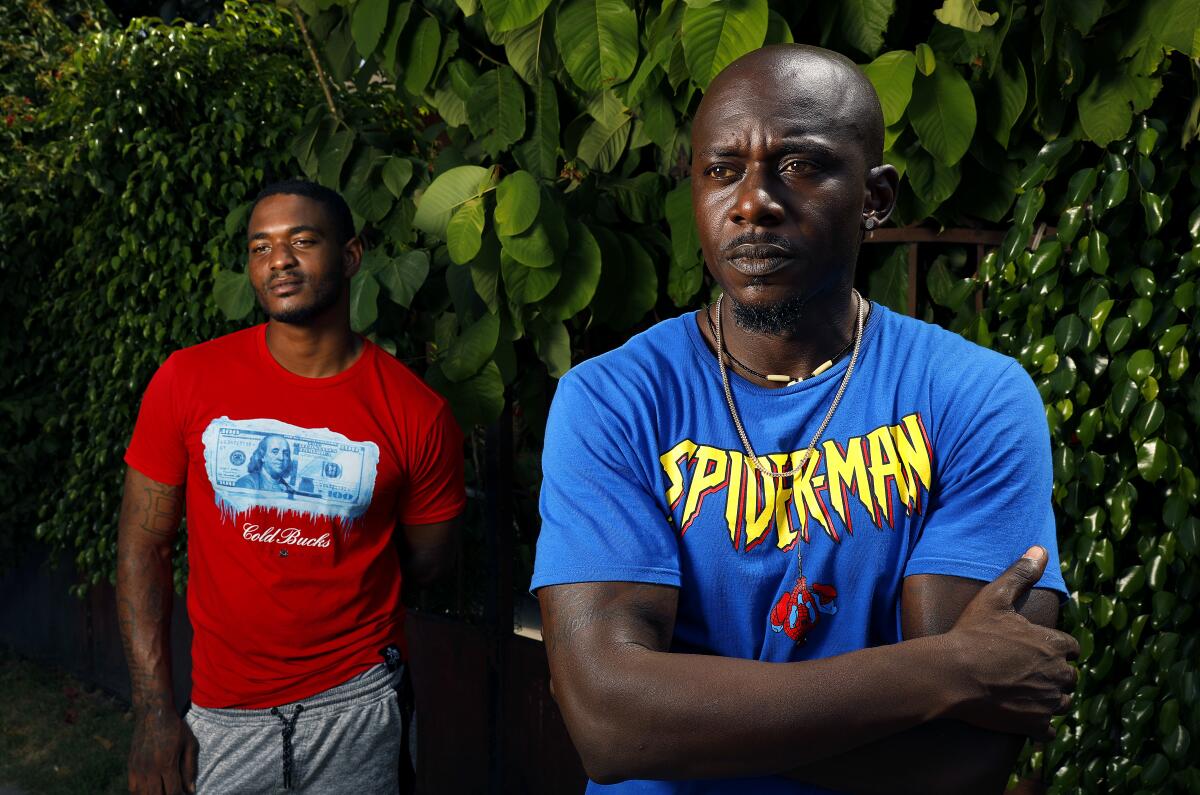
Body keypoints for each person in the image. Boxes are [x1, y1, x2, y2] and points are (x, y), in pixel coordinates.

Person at [531, 44, 1079, 794]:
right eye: (722, 170)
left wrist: (679, 721)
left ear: (875, 197)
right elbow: (608, 724)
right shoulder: (615, 398)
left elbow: (966, 756)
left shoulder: (971, 396)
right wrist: (952, 668)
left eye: (799, 166)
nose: (752, 201)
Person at [117, 179, 465, 794]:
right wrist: (151, 712)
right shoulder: (187, 381)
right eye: (260, 247)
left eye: (303, 240)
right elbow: (143, 546)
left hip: (359, 705)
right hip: (225, 714)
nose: (279, 260)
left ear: (351, 256)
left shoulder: (417, 412)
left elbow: (429, 559)